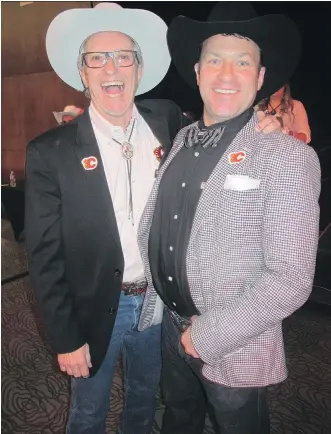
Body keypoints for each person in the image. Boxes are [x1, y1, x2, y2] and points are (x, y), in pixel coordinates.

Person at [25, 2, 282, 434]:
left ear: (139, 70)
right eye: (97, 58)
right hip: (94, 306)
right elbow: (44, 256)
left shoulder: (165, 120)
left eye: (124, 56)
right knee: (88, 412)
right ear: (83, 74)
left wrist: (257, 122)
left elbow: (219, 127)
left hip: (158, 304)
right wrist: (66, 338)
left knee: (145, 399)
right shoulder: (50, 152)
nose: (112, 67)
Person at [137, 3, 321, 434]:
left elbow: (290, 279)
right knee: (178, 420)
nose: (226, 74)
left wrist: (207, 336)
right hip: (170, 324)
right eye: (215, 60)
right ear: (198, 71)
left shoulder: (286, 157)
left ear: (260, 78)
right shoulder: (182, 138)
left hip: (232, 340)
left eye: (242, 63)